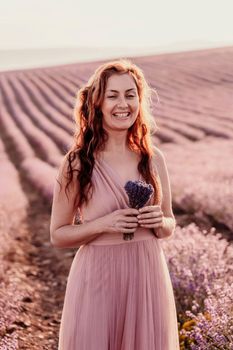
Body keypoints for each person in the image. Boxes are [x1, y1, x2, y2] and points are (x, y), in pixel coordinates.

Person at [50, 59, 180, 350]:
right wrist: (103, 224)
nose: (123, 104)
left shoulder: (153, 157)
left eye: (130, 94)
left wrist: (160, 223)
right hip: (99, 277)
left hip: (147, 276)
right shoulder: (77, 163)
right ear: (97, 103)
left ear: (139, 100)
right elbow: (58, 234)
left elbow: (170, 222)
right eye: (113, 95)